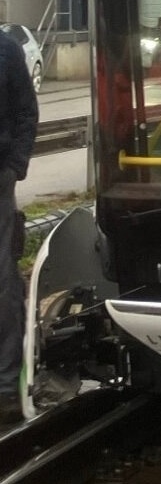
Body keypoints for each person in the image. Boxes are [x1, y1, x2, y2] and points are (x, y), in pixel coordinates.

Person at [0, 26, 37, 423]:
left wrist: (15, 166)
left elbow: (26, 111)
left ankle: (6, 385)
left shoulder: (6, 51)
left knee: (2, 280)